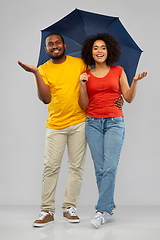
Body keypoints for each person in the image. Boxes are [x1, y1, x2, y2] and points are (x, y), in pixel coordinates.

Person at [18, 32, 124, 227]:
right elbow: (45, 99)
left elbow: (98, 82)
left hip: (80, 122)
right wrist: (35, 74)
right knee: (51, 167)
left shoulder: (80, 64)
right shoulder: (42, 70)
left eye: (58, 43)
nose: (55, 46)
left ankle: (69, 208)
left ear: (65, 45)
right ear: (46, 49)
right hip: (55, 125)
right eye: (51, 44)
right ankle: (47, 211)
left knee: (76, 167)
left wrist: (119, 98)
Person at [79, 33, 147, 229]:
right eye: (95, 48)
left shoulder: (118, 71)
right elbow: (84, 106)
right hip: (92, 123)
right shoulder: (86, 75)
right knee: (100, 169)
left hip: (114, 122)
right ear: (90, 52)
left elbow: (128, 97)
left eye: (103, 48)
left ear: (109, 51)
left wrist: (134, 82)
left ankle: (100, 210)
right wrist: (82, 85)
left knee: (110, 167)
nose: (99, 51)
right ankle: (108, 212)